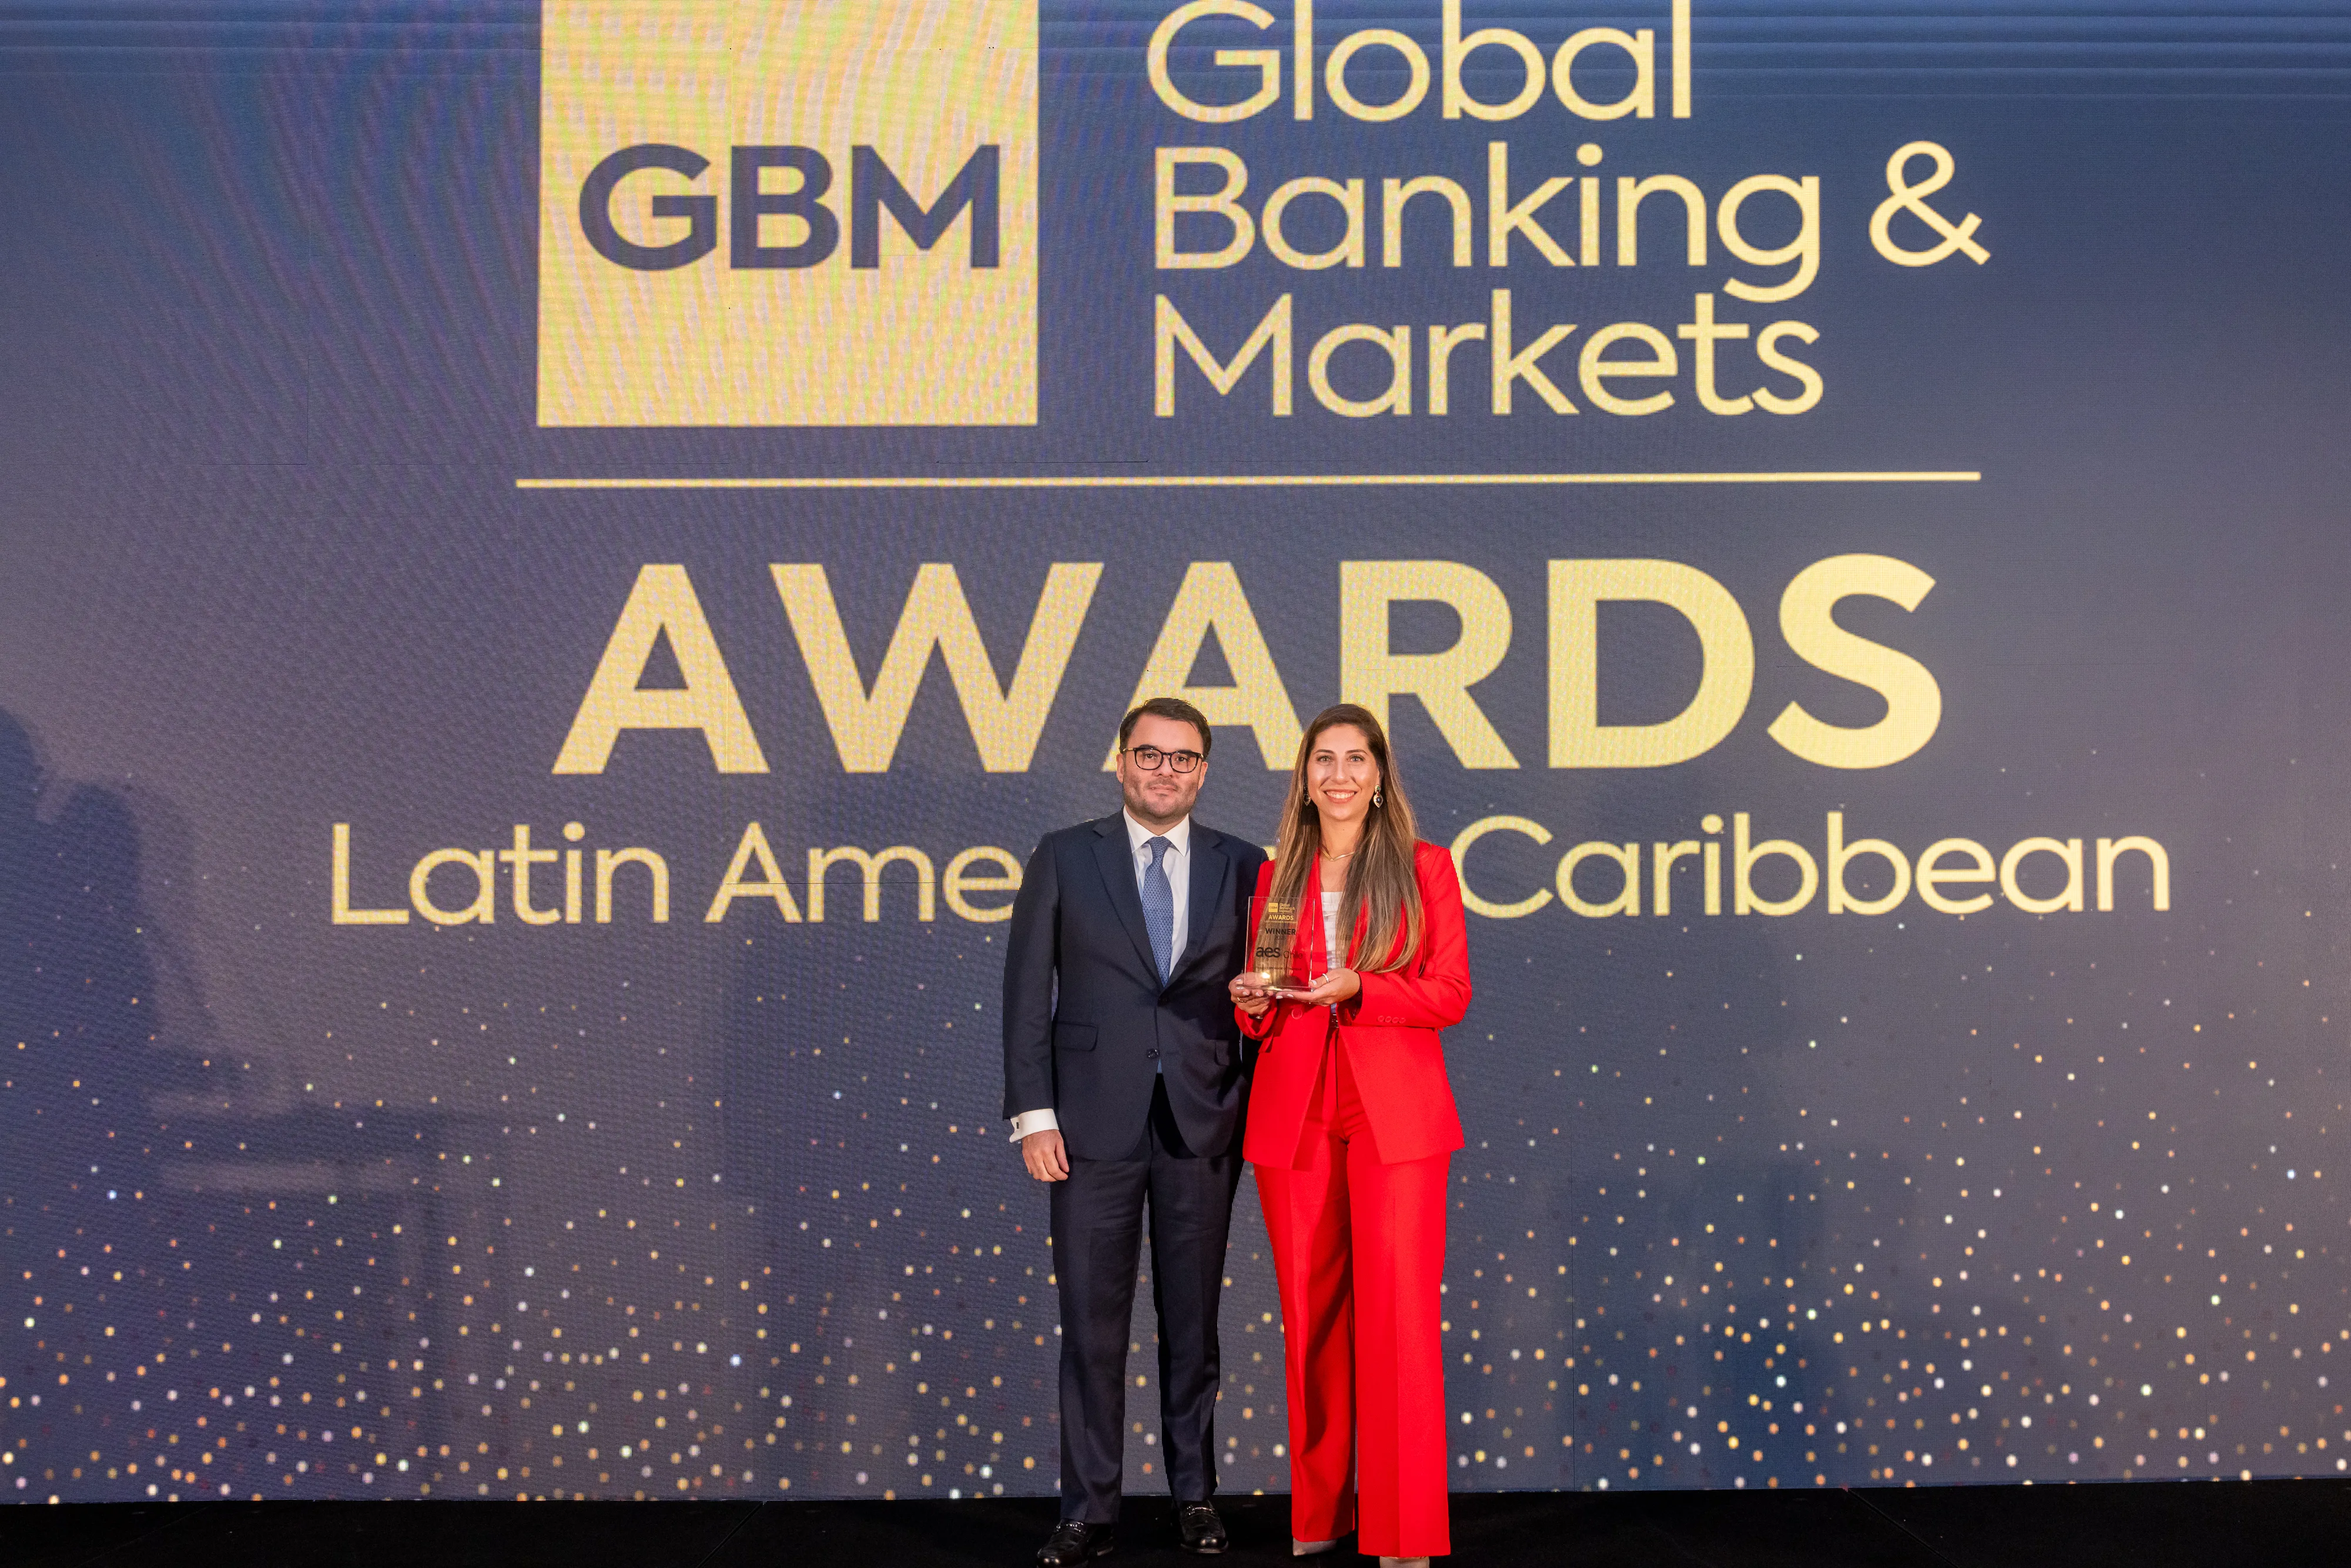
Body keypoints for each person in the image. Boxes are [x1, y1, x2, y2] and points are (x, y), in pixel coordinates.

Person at [1003, 697, 1268, 1564]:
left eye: (1184, 758)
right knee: (1091, 1327)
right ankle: (1089, 1507)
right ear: (1120, 761)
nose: (1166, 771)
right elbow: (1024, 998)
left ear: (1204, 770)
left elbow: (1264, 1001)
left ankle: (1195, 1497)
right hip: (1084, 1130)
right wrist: (1033, 1115)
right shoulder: (1063, 857)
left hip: (1203, 1123)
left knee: (1194, 1328)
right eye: (1150, 755)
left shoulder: (1245, 866)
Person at [1229, 704, 1470, 1567]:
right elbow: (1266, 992)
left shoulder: (1423, 866)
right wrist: (1254, 1006)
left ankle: (1404, 1531)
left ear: (1379, 776)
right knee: (1309, 1317)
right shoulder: (1275, 879)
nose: (1339, 774)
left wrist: (1362, 988)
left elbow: (1449, 993)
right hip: (1295, 1107)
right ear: (1303, 776)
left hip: (1394, 1111)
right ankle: (1318, 1520)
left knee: (1397, 1318)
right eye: (1323, 759)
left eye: (1356, 759)